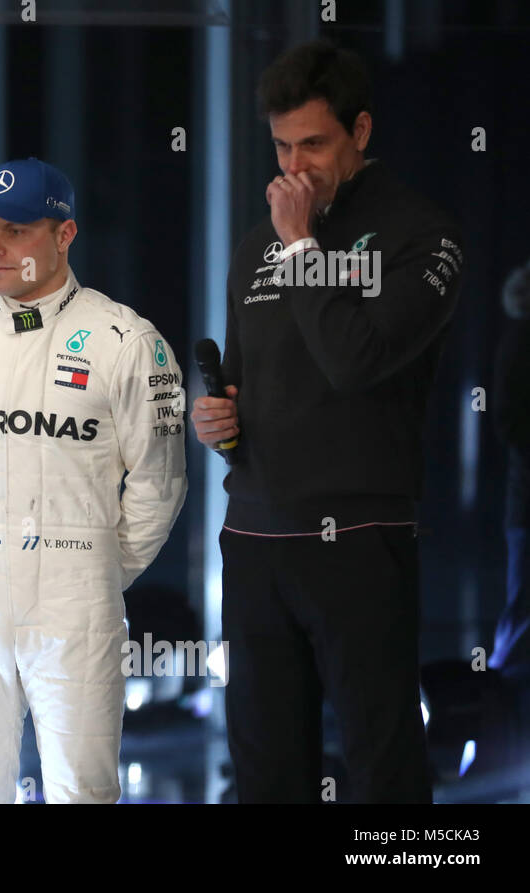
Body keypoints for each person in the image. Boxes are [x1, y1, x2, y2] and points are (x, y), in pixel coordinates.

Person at [190, 40, 464, 803]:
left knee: (383, 763)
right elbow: (247, 388)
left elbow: (355, 360)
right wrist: (220, 423)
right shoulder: (255, 248)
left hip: (360, 538)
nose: (295, 165)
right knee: (265, 771)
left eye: (315, 143)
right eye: (282, 145)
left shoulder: (423, 235)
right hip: (252, 538)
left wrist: (304, 245)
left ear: (362, 131)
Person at [0, 157, 187, 803]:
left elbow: (159, 481)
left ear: (65, 234)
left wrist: (92, 567)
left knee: (82, 790)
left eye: (15, 230)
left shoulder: (128, 340)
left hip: (77, 598)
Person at [491, 260, 530, 679]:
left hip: (523, 503)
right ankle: (502, 699)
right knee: (522, 610)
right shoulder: (519, 344)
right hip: (526, 503)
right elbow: (508, 423)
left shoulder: (516, 342)